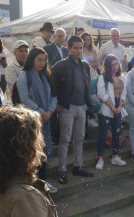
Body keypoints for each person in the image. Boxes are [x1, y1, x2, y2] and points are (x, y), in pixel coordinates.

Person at [51, 35, 94, 185]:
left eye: (80, 47)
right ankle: (62, 170)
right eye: (75, 47)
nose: (78, 50)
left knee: (79, 138)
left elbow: (87, 84)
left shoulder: (85, 65)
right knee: (64, 139)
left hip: (82, 106)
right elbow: (52, 85)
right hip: (66, 107)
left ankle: (78, 166)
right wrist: (55, 103)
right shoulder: (60, 65)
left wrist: (87, 104)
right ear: (68, 48)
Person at [17, 47, 58, 193]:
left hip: (46, 119)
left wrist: (50, 111)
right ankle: (34, 183)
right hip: (31, 121)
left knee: (43, 151)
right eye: (39, 59)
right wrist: (41, 111)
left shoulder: (46, 75)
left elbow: (54, 95)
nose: (42, 62)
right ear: (32, 59)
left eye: (44, 60)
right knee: (33, 152)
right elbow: (25, 98)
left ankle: (43, 182)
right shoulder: (24, 75)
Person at [95, 54, 127, 169]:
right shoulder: (103, 77)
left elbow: (124, 93)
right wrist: (113, 107)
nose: (114, 67)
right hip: (106, 109)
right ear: (107, 66)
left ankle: (115, 156)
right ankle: (100, 158)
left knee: (116, 133)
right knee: (103, 134)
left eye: (116, 64)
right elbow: (101, 94)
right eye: (111, 65)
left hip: (119, 107)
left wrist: (120, 106)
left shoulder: (123, 78)